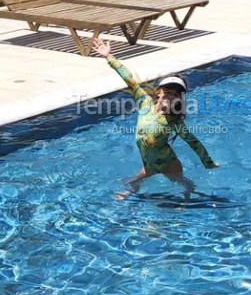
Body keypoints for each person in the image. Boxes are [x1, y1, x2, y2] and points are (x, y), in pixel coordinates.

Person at [92, 38, 218, 199]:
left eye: (174, 94)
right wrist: (109, 57)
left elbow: (193, 142)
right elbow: (129, 79)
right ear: (158, 92)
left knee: (182, 183)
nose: (169, 95)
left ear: (179, 99)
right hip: (149, 163)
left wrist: (208, 163)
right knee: (135, 180)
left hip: (169, 164)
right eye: (166, 90)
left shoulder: (174, 121)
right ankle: (130, 193)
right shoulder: (145, 102)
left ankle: (188, 199)